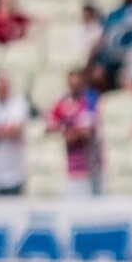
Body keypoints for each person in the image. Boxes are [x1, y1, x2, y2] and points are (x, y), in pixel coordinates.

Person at [46, 68, 102, 196]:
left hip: (90, 165)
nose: (74, 87)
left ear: (83, 83)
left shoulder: (91, 100)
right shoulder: (63, 102)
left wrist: (68, 131)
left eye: (77, 83)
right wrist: (68, 131)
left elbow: (87, 131)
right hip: (69, 167)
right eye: (71, 84)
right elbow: (50, 126)